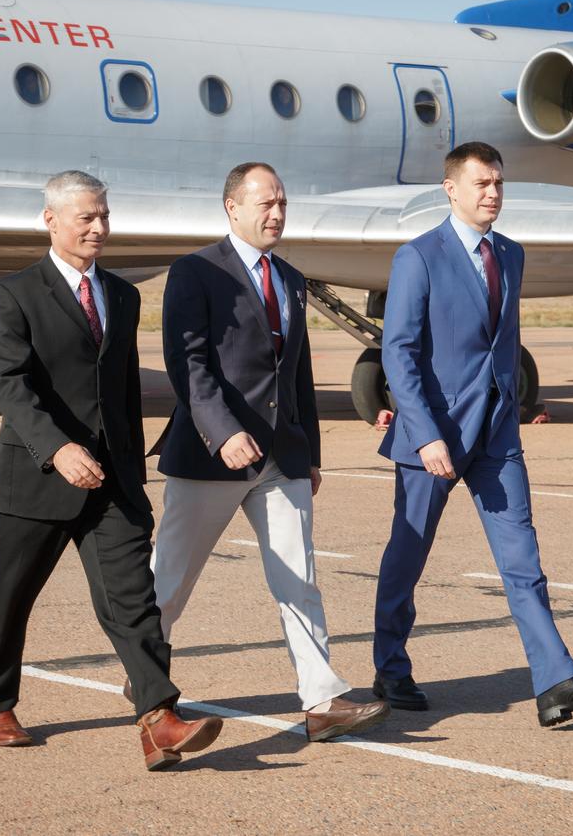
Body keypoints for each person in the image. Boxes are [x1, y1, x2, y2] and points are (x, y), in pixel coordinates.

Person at [0, 170, 222, 771]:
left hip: (112, 480)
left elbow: (123, 392)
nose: (99, 227)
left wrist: (134, 463)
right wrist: (56, 448)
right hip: (37, 476)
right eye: (86, 217)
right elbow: (7, 383)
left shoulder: (124, 295)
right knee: (9, 597)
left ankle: (159, 719)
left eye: (104, 215)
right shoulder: (14, 294)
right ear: (51, 220)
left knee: (134, 600)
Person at [373, 142, 573, 726]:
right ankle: (390, 666)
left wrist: (514, 410)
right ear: (451, 189)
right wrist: (425, 434)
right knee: (407, 559)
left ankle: (556, 683)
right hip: (431, 438)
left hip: (496, 439)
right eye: (481, 183)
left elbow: (500, 345)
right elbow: (398, 353)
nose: (492, 193)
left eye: (499, 185)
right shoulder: (418, 257)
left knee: (522, 561)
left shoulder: (510, 254)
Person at [145, 161, 389, 742]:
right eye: (265, 203)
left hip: (282, 459)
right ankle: (145, 676)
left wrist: (311, 454)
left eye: (282, 202)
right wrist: (222, 430)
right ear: (232, 207)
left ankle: (322, 701)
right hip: (212, 454)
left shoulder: (292, 278)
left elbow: (298, 373)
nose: (276, 213)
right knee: (171, 581)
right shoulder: (195, 272)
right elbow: (189, 365)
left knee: (298, 579)